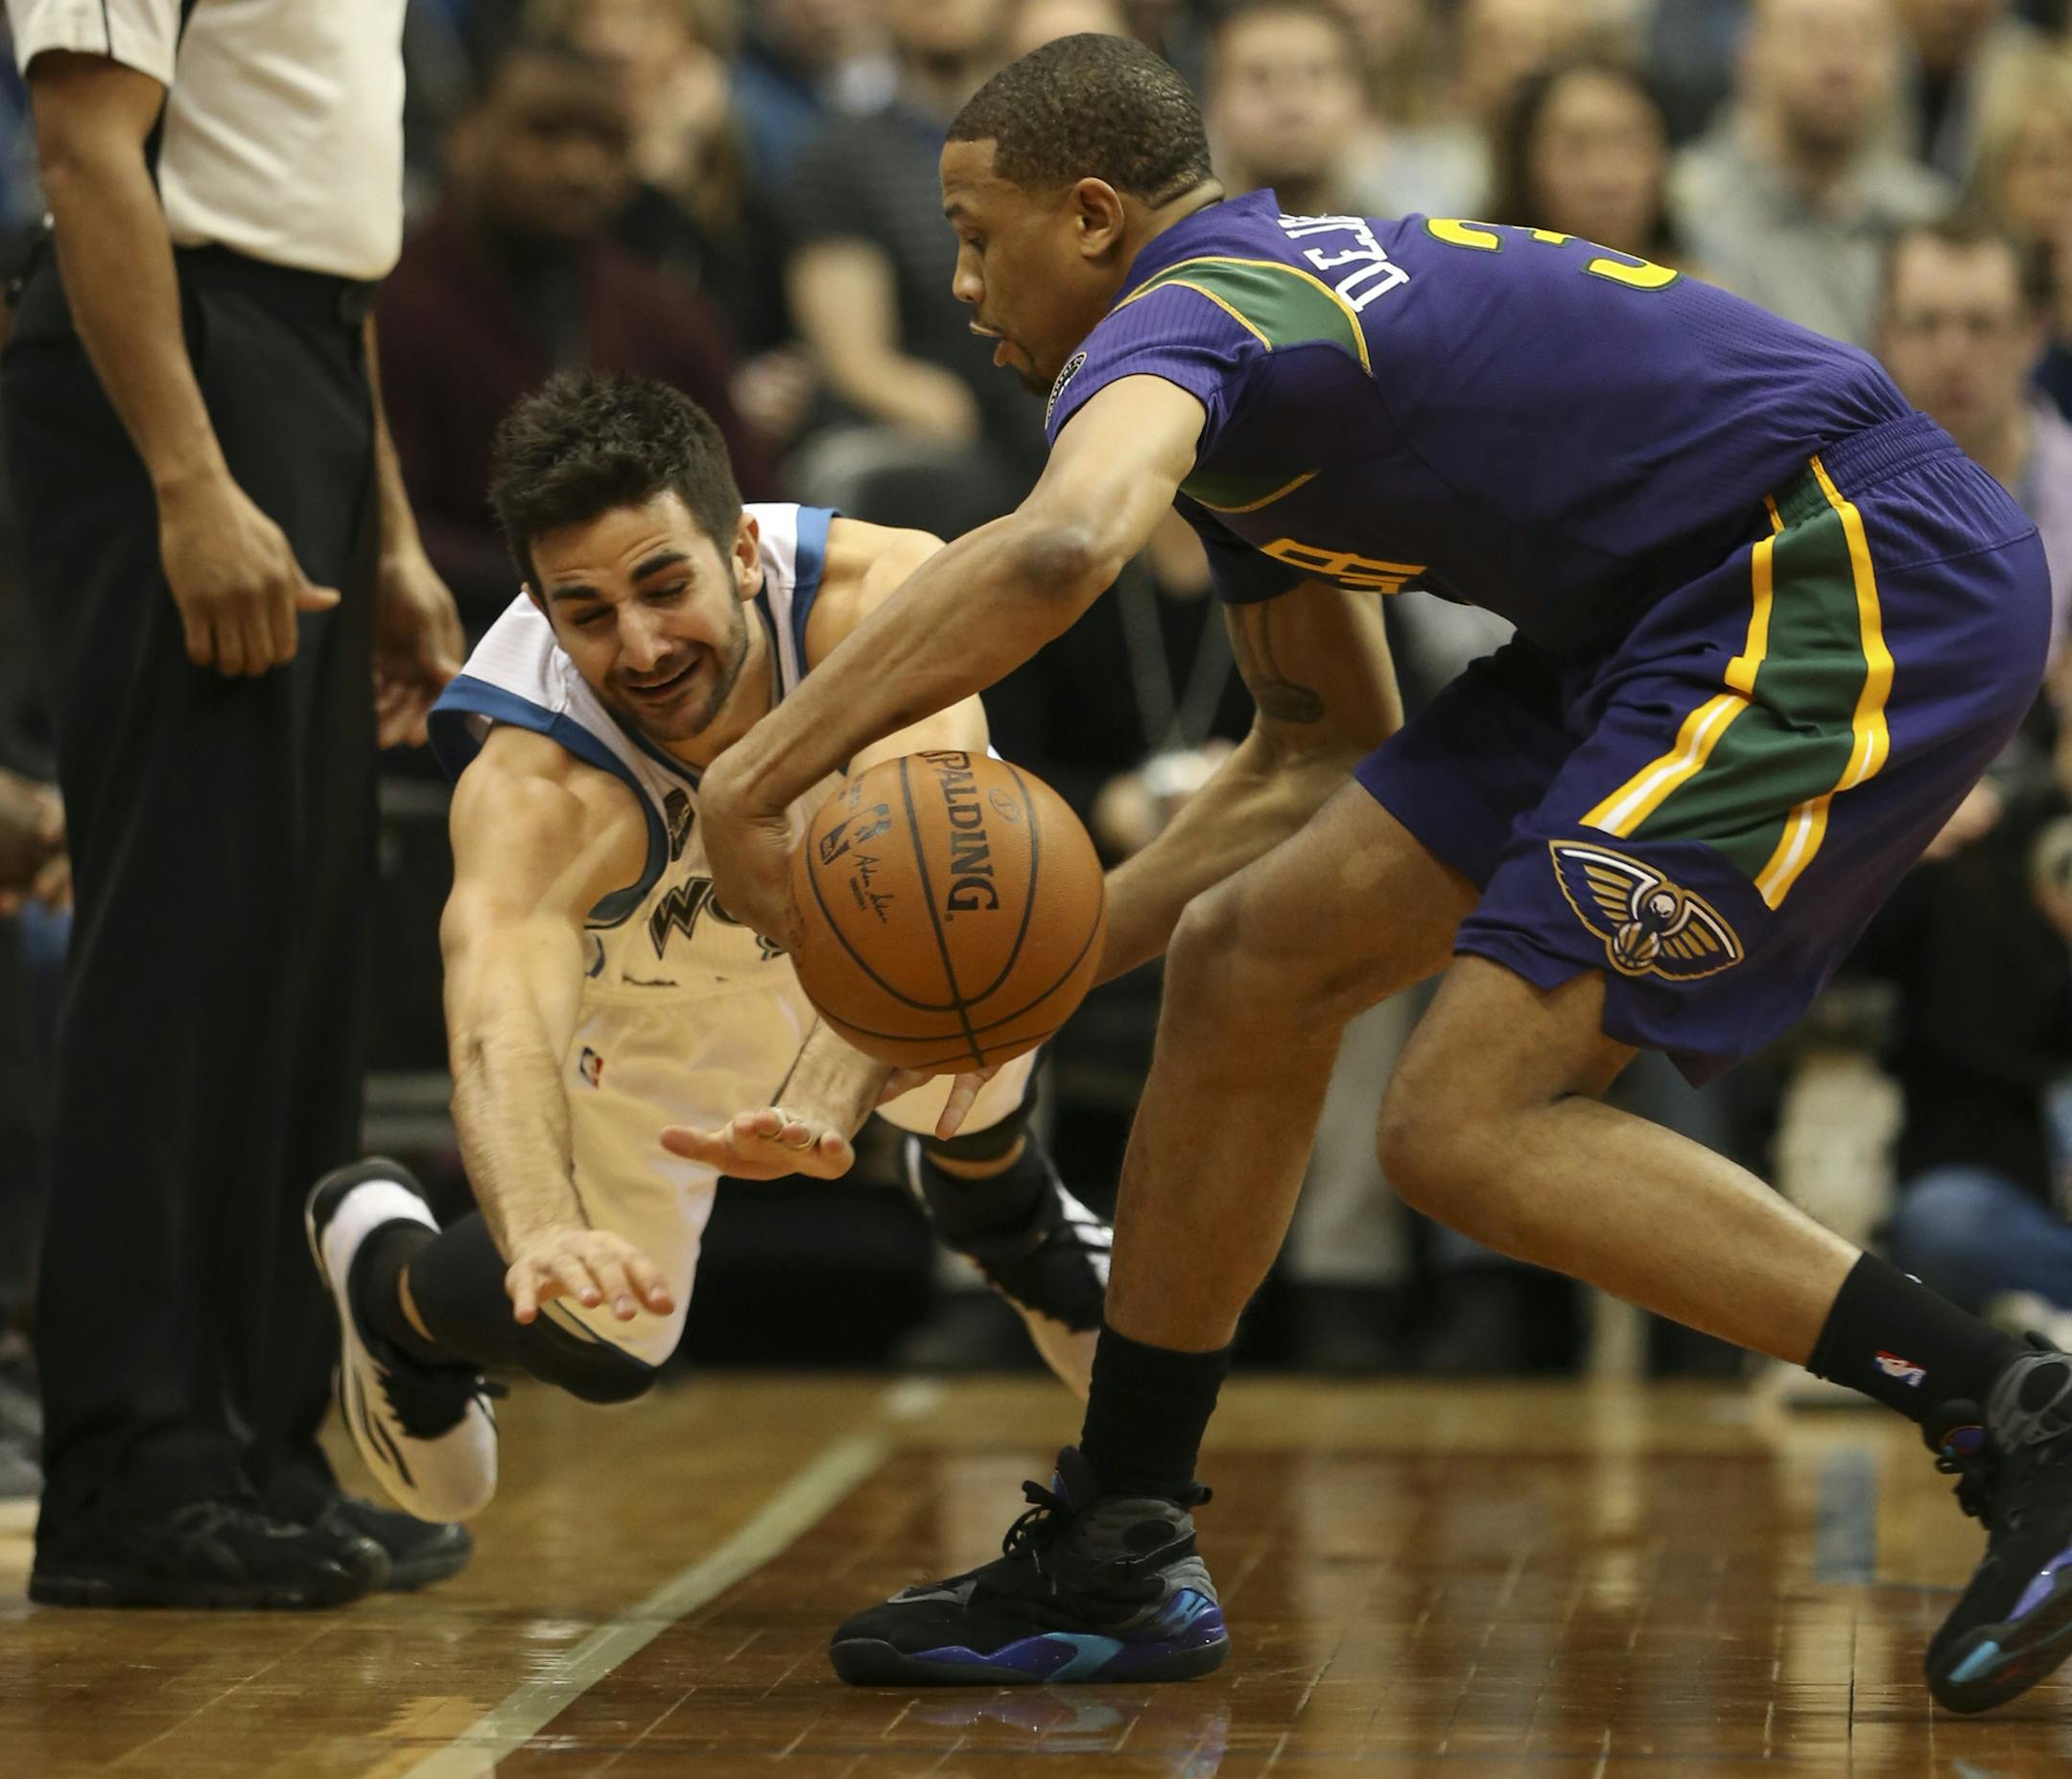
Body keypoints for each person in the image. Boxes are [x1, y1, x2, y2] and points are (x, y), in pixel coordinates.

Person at [695, 34, 2060, 1712]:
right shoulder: (1252, 357)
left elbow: (1056, 545)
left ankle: (2014, 1417)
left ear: (1102, 216)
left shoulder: (1191, 311)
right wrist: (1018, 994)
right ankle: (1122, 1535)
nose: (962, 281)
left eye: (982, 236)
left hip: (1835, 564)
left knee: (1460, 1123)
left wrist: (751, 779)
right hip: (1651, 613)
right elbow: (1313, 745)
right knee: (1251, 959)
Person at [305, 374, 1112, 1522]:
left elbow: (944, 844)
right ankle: (388, 1283)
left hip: (850, 917)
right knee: (607, 1334)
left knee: (971, 951)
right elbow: (496, 1028)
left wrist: (834, 1094)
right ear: (538, 607)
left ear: (740, 549)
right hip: (646, 997)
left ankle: (1016, 1220)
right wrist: (538, 1228)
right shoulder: (536, 783)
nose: (638, 646)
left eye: (662, 585)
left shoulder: (885, 594)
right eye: (584, 612)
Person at [1, 0, 469, 1608]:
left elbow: (326, 249)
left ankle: (266, 1453)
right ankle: (131, 1472)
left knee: (296, 947)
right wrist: (193, 482)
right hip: (164, 364)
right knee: (178, 943)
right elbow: (84, 154)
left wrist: (391, 528)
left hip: (302, 355)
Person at [376, 40, 765, 638]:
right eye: (545, 134)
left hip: (666, 630)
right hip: (457, 639)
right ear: (465, 136)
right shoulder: (392, 305)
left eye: (606, 143)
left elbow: (754, 500)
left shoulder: (666, 314)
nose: (579, 166)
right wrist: (571, 590)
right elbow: (384, 528)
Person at [1672, 0, 1953, 347]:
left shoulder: (1930, 215)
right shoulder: (1682, 210)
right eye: (1809, 36)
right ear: (1749, 54)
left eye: (1865, 40)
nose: (1839, 66)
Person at [1488, 59, 1690, 272]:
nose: (1604, 180)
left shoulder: (1700, 298)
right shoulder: (1476, 290)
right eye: (1574, 147)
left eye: (1626, 143)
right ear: (1524, 162)